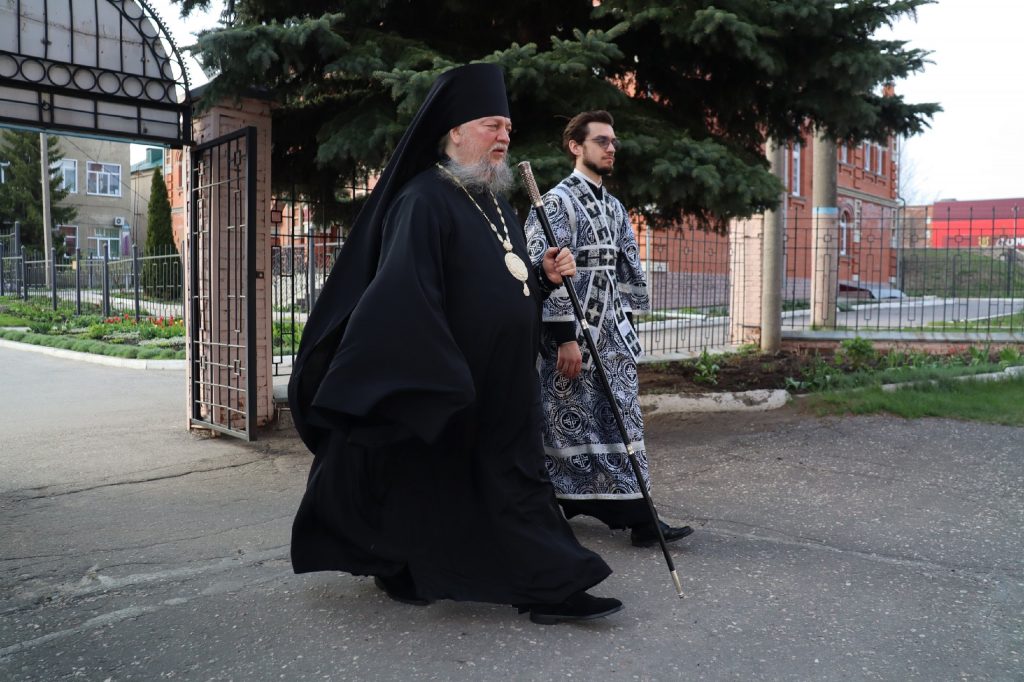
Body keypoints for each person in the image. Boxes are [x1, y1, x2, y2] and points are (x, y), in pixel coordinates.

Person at [288, 65, 622, 624]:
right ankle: (414, 568)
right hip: (455, 380)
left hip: (505, 381)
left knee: (513, 483)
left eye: (508, 127)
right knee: (431, 484)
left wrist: (541, 277)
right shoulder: (421, 201)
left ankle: (552, 585)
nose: (505, 135)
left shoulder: (498, 204)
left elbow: (504, 286)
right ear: (454, 131)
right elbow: (404, 294)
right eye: (492, 124)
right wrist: (442, 372)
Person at [524, 110, 694, 548]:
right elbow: (545, 269)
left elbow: (628, 267)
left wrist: (627, 325)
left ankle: (641, 517)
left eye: (613, 141)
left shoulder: (615, 207)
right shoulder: (556, 202)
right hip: (571, 339)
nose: (611, 147)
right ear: (575, 147)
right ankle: (556, 506)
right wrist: (564, 338)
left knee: (624, 423)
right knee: (568, 426)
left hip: (613, 336)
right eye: (601, 140)